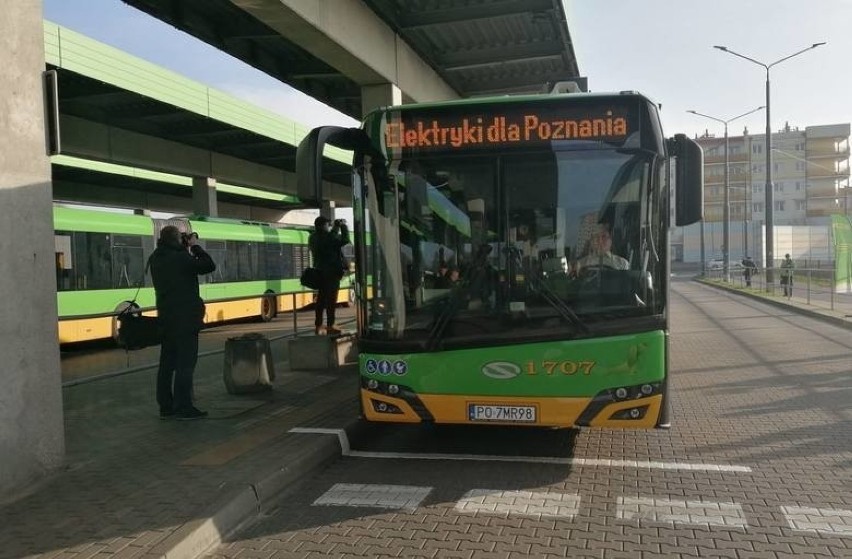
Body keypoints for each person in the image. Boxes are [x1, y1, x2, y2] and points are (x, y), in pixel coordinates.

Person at [150, 226, 216, 420]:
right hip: (185, 319)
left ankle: (166, 407)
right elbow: (208, 265)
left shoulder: (155, 258)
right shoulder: (180, 257)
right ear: (177, 240)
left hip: (166, 318)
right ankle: (183, 406)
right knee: (185, 364)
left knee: (166, 364)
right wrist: (195, 246)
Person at [309, 216, 351, 335]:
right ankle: (330, 325)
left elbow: (329, 240)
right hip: (331, 273)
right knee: (331, 301)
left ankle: (318, 325)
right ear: (323, 225)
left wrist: (334, 228)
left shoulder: (312, 237)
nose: (329, 226)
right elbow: (345, 240)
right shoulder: (328, 236)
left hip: (319, 272)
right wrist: (342, 226)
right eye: (328, 224)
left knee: (321, 300)